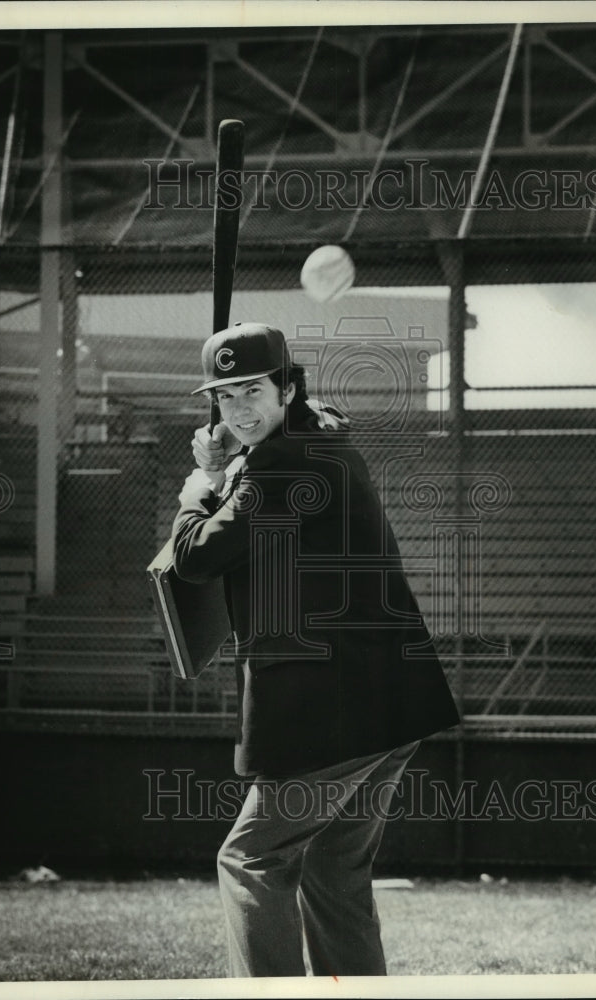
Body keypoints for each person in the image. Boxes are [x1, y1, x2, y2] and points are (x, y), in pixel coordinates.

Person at [172, 322, 459, 978]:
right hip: (392, 707)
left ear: (287, 386)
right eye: (224, 397)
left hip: (334, 711)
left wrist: (200, 482)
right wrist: (233, 466)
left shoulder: (286, 460)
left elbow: (197, 557)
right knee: (333, 874)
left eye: (252, 391)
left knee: (251, 861)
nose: (239, 408)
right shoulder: (315, 434)